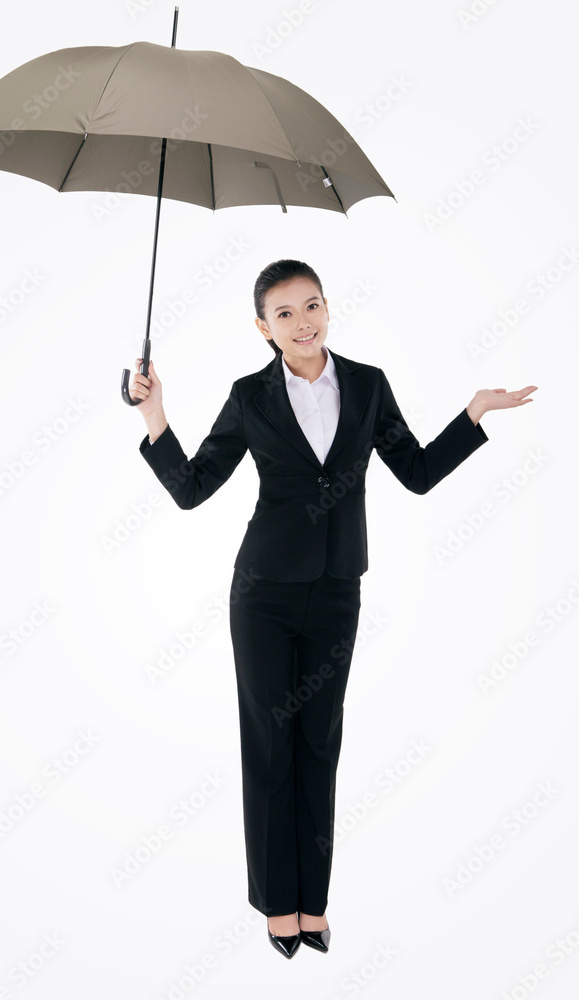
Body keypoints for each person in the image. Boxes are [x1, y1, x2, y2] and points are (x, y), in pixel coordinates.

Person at [130, 259, 538, 959]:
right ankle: (274, 905)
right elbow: (193, 488)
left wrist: (472, 414)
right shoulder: (249, 396)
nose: (302, 321)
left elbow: (414, 474)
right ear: (262, 327)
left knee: (318, 744)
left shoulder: (368, 384)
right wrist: (154, 414)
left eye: (311, 305)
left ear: (328, 308)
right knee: (268, 750)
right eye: (283, 313)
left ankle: (311, 904)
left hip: (336, 590)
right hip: (260, 594)